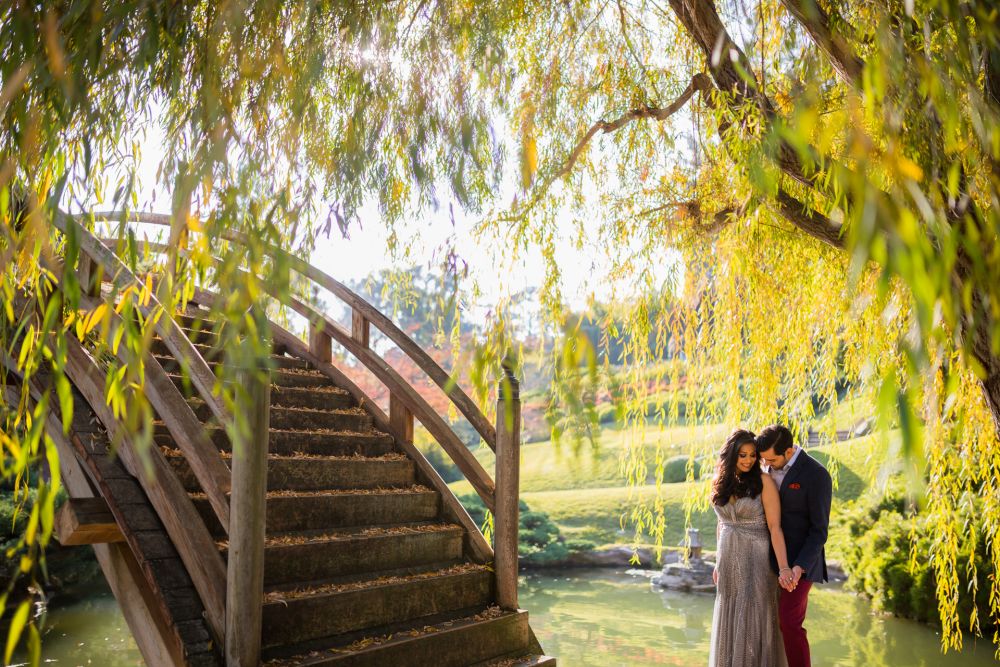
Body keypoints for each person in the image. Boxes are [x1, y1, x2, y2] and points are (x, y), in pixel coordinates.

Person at [709, 429, 790, 667]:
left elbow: (775, 527)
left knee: (756, 615)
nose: (748, 460)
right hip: (728, 560)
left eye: (753, 455)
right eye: (742, 455)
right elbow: (721, 525)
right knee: (730, 613)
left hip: (757, 560)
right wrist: (717, 562)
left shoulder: (764, 481)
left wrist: (784, 568)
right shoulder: (719, 483)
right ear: (731, 455)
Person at [756, 425, 833, 667]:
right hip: (764, 557)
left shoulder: (817, 475)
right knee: (762, 618)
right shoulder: (763, 468)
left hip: (801, 562)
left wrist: (798, 567)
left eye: (771, 459)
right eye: (763, 459)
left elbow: (819, 531)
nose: (766, 464)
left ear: (789, 451)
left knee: (789, 621)